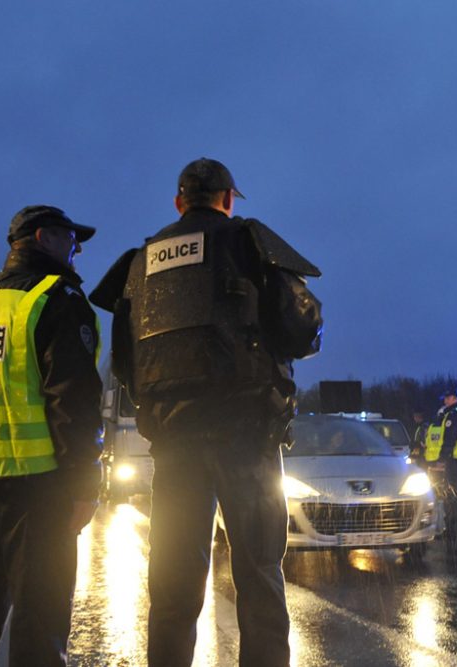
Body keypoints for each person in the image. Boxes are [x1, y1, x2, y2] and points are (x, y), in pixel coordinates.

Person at [90, 157, 323, 667]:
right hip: (248, 441)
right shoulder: (248, 243)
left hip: (174, 446)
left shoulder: (139, 262)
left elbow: (125, 361)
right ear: (227, 199)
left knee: (172, 586)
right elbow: (303, 329)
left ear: (178, 203)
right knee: (259, 578)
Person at [0, 205, 103, 667]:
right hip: (38, 489)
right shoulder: (56, 300)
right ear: (44, 238)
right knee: (39, 625)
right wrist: (85, 485)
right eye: (72, 239)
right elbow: (73, 401)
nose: (78, 251)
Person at [424, 389, 457, 539]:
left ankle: (452, 528)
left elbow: (450, 439)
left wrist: (442, 458)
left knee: (451, 494)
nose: (445, 401)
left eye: (447, 398)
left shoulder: (453, 415)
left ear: (454, 398)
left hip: (455, 459)